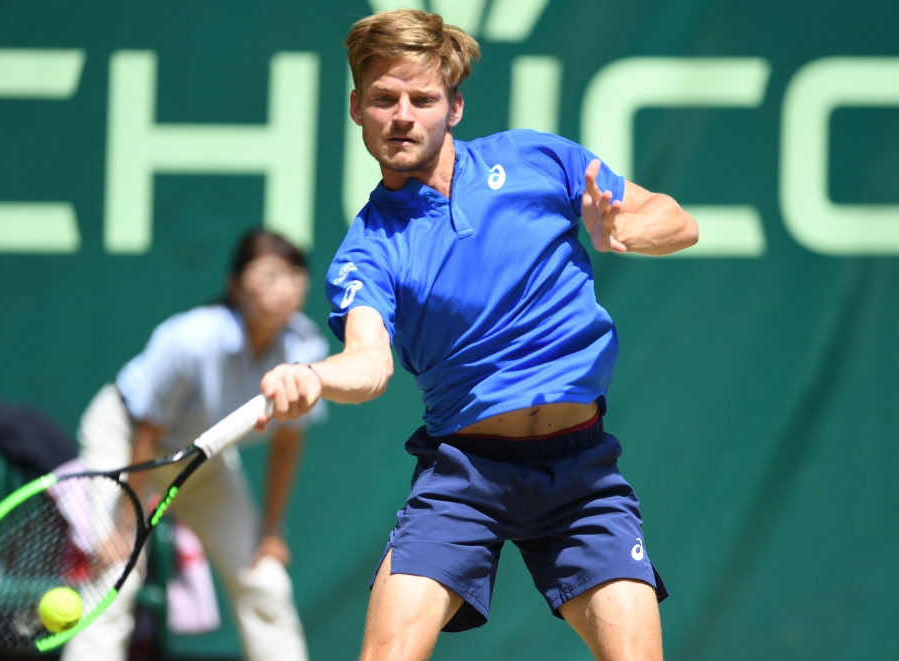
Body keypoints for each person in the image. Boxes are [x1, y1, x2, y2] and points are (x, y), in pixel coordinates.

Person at [256, 9, 699, 661]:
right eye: (384, 98)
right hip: (464, 477)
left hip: (581, 471)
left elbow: (676, 218)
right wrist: (314, 375)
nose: (402, 114)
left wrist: (626, 232)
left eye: (422, 98)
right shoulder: (366, 250)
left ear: (454, 106)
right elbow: (368, 363)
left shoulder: (535, 159)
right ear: (356, 108)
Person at [63, 229, 326, 661]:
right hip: (127, 441)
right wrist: (124, 525)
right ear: (236, 284)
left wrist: (271, 531)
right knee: (117, 573)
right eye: (268, 275)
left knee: (266, 578)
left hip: (202, 456)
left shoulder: (304, 348)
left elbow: (288, 444)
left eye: (295, 275)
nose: (284, 289)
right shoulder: (192, 339)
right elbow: (146, 431)